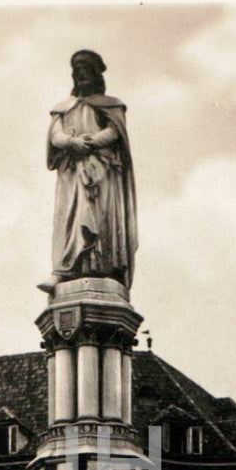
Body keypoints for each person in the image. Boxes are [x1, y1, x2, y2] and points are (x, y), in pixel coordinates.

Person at [40, 50, 138, 293]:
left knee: (98, 216)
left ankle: (103, 268)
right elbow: (56, 135)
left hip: (101, 172)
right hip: (72, 174)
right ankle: (63, 272)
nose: (82, 78)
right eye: (78, 74)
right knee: (71, 219)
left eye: (86, 73)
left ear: (95, 76)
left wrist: (91, 142)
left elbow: (115, 132)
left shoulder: (111, 105)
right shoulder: (64, 108)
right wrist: (71, 143)